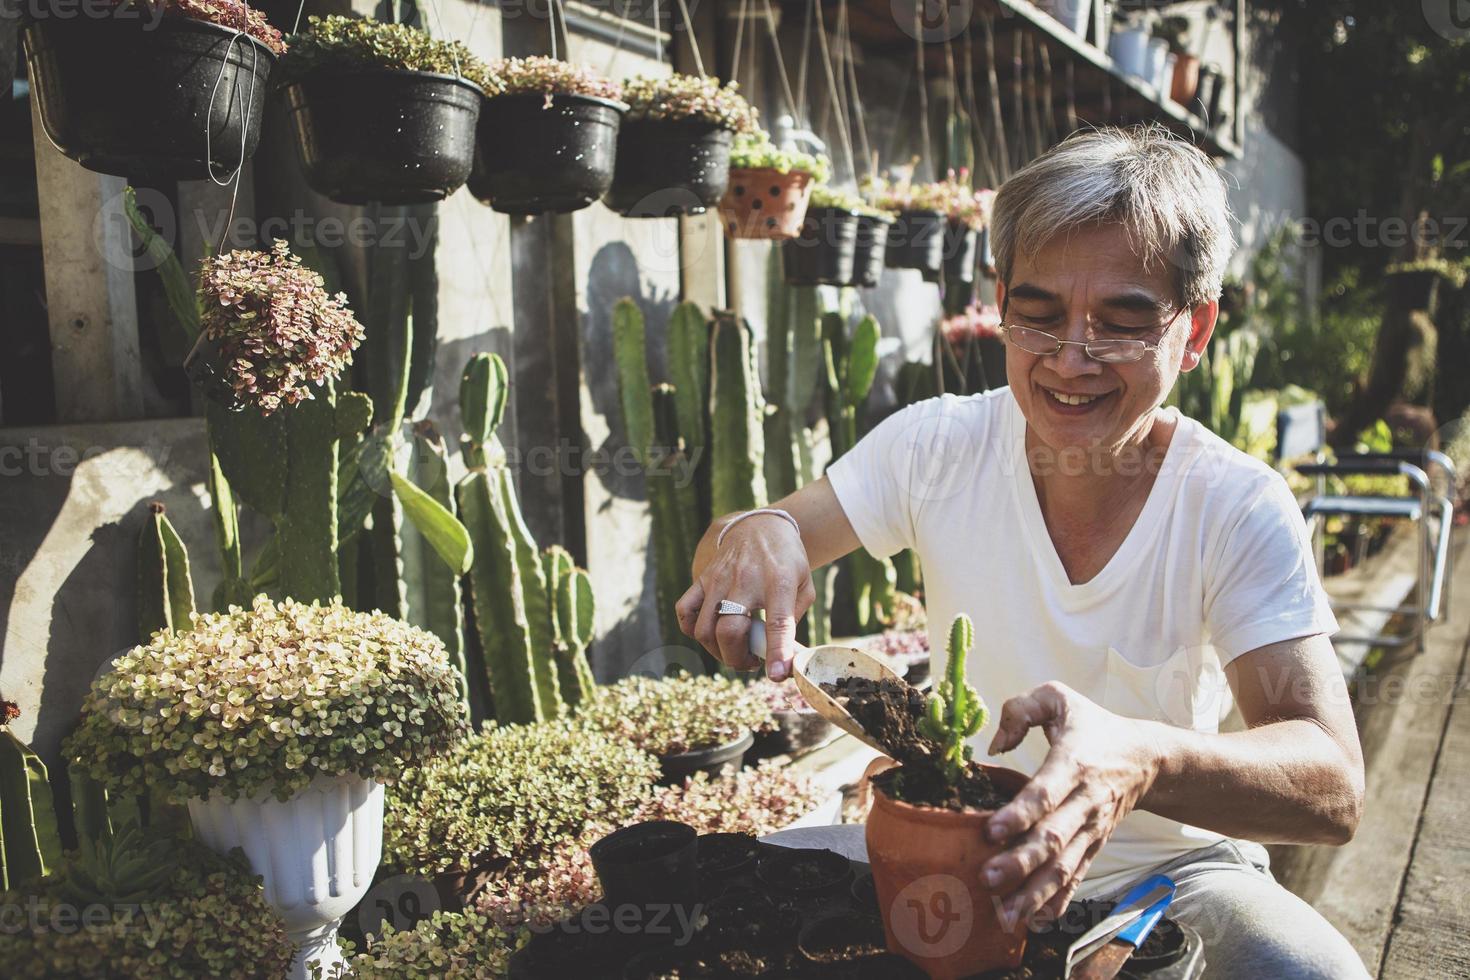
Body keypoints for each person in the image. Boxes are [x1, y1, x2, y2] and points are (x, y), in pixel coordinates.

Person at [675, 124, 1369, 978]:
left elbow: (1332, 781)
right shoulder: (938, 448)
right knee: (732, 899)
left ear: (1194, 333)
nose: (1070, 360)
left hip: (1167, 879)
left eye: (1121, 322)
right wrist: (757, 537)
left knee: (1312, 972)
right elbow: (758, 534)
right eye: (1038, 316)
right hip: (965, 843)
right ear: (1001, 303)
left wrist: (1145, 760)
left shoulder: (1234, 505)